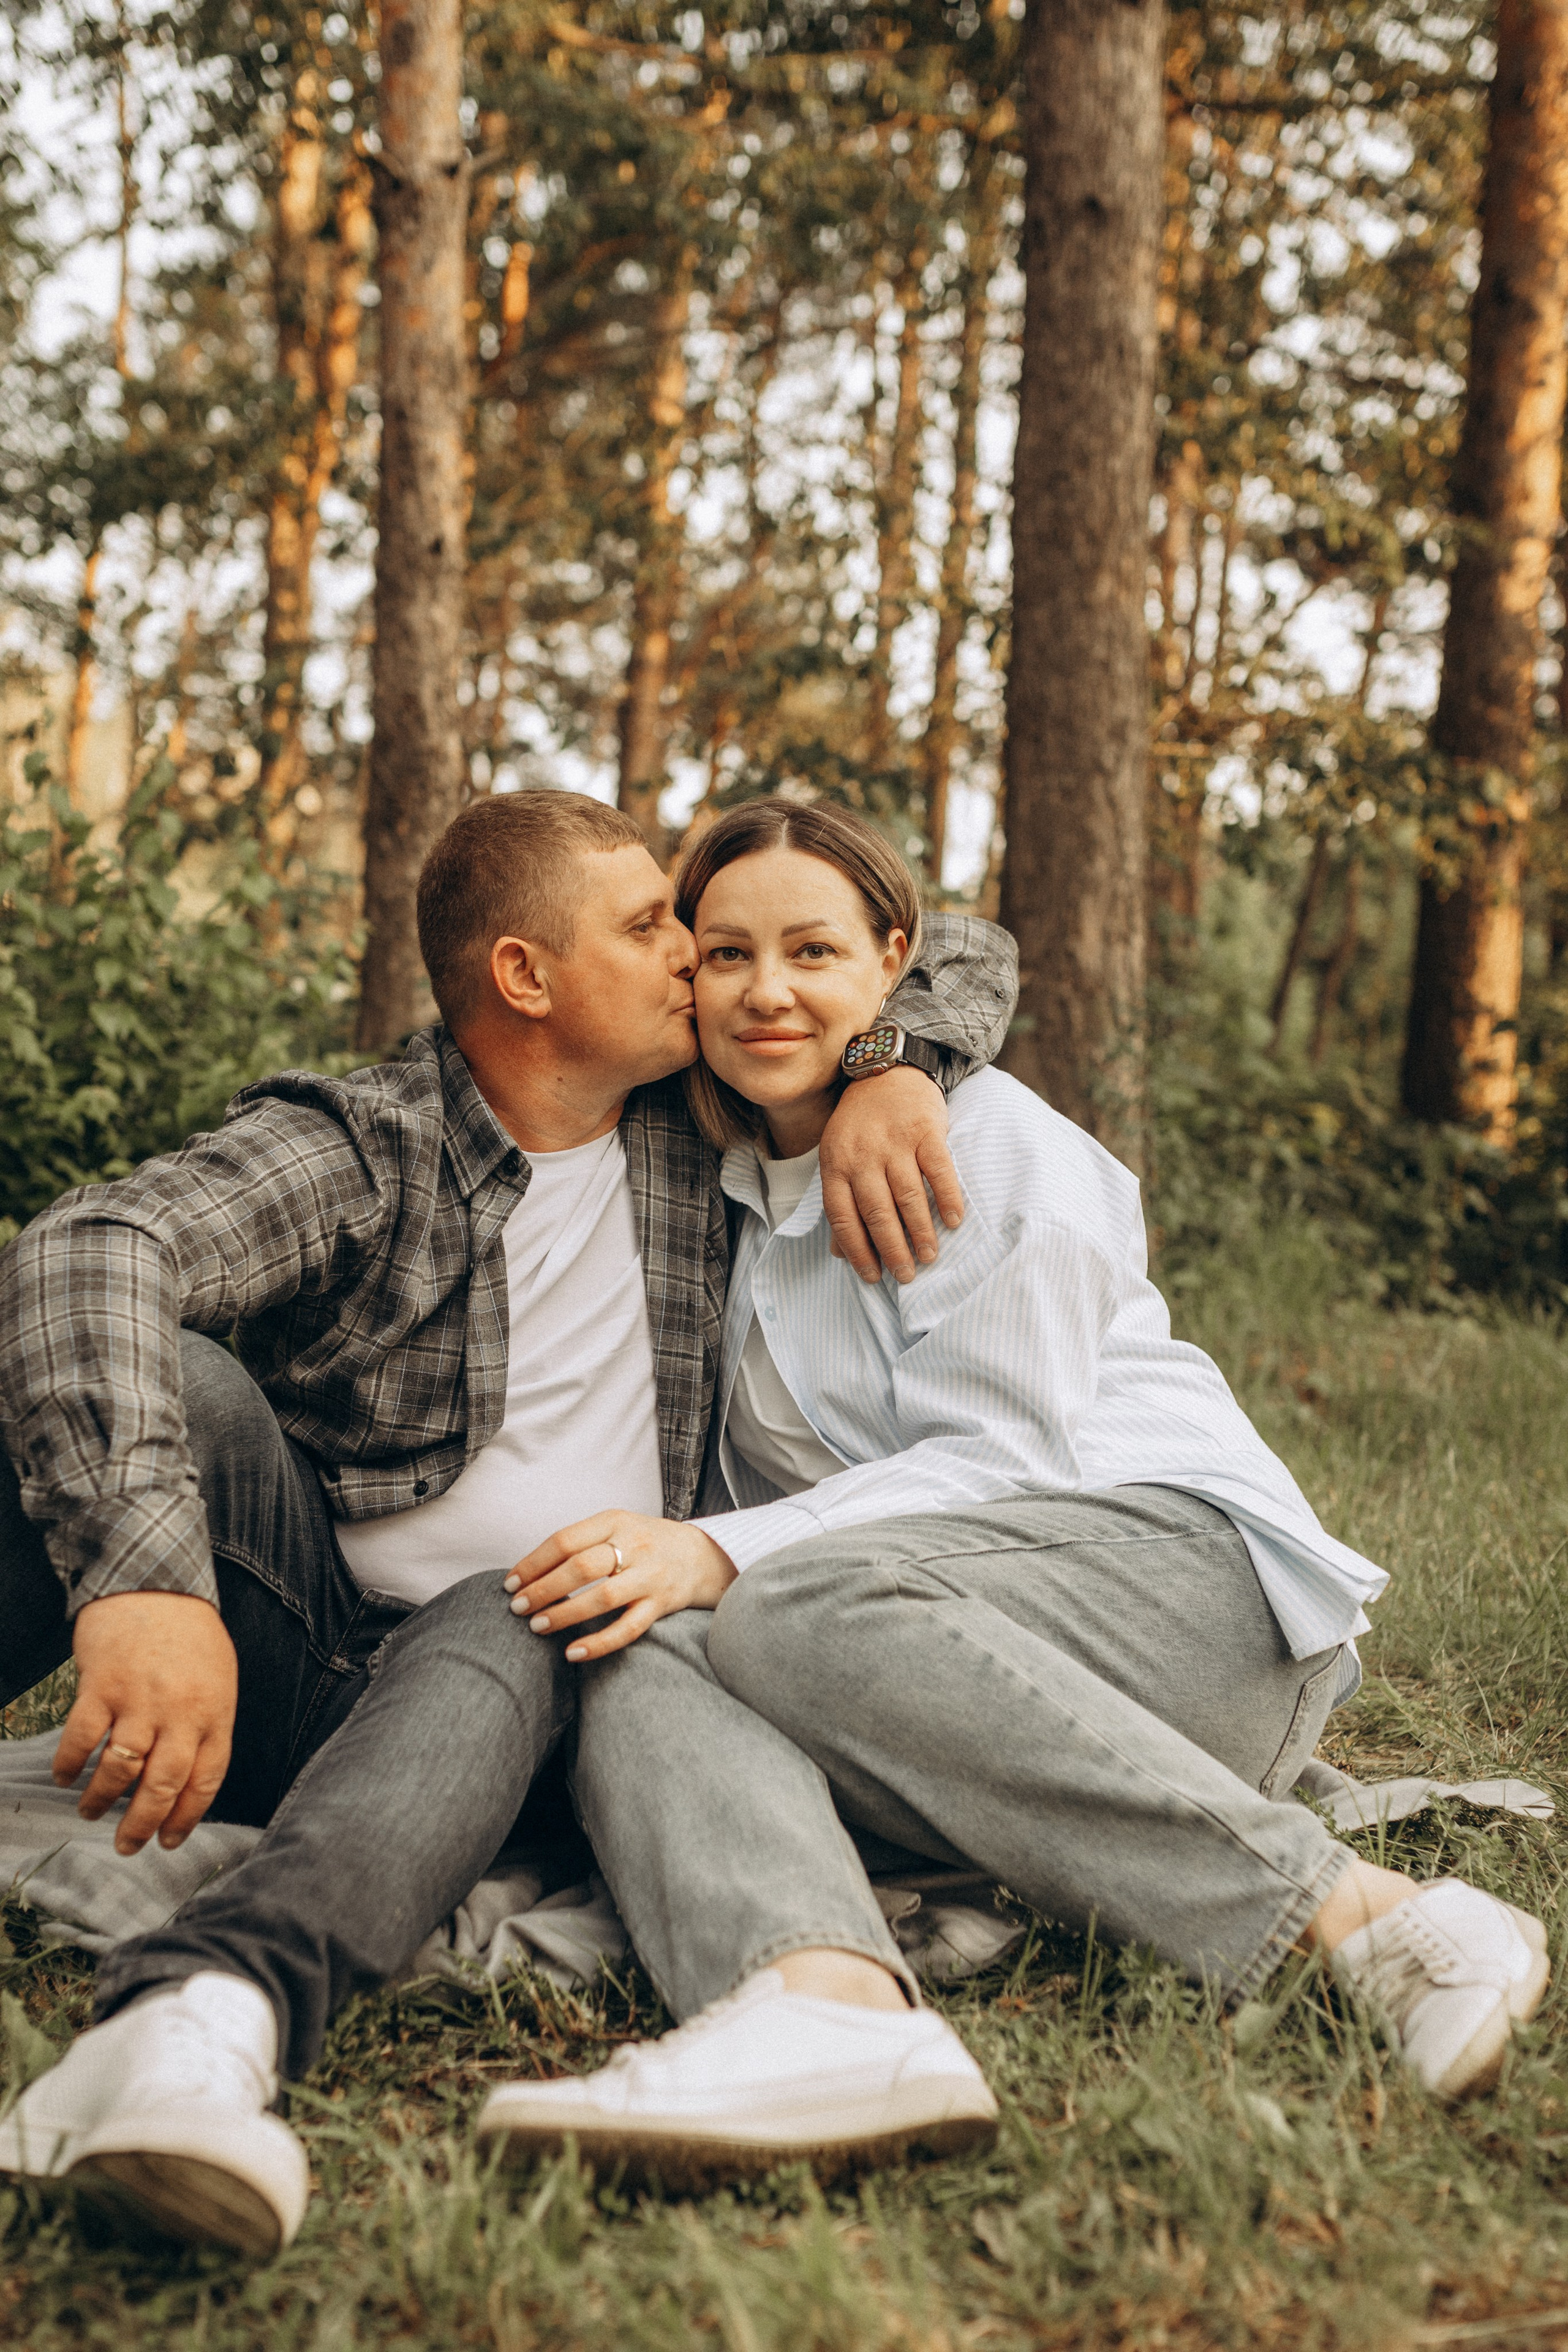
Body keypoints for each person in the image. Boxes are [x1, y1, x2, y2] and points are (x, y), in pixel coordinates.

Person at [0, 790, 1017, 2255]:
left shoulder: (697, 1121)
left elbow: (959, 949)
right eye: (652, 924)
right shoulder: (372, 1146)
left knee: (525, 1593)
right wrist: (143, 1582)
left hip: (550, 1674)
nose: (696, 957)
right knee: (141, 1367)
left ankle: (199, 2025)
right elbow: (94, 1241)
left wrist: (888, 1069)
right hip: (294, 1666)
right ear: (524, 978)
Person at [474, 799, 1549, 2174]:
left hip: (1192, 1601)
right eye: (726, 954)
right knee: (634, 1639)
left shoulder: (992, 1141)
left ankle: (1369, 1917)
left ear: (892, 963)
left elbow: (1006, 1463)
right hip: (938, 1658)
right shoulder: (709, 1181)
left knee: (775, 1599)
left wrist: (716, 1550)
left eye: (812, 950)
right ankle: (817, 2000)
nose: (764, 990)